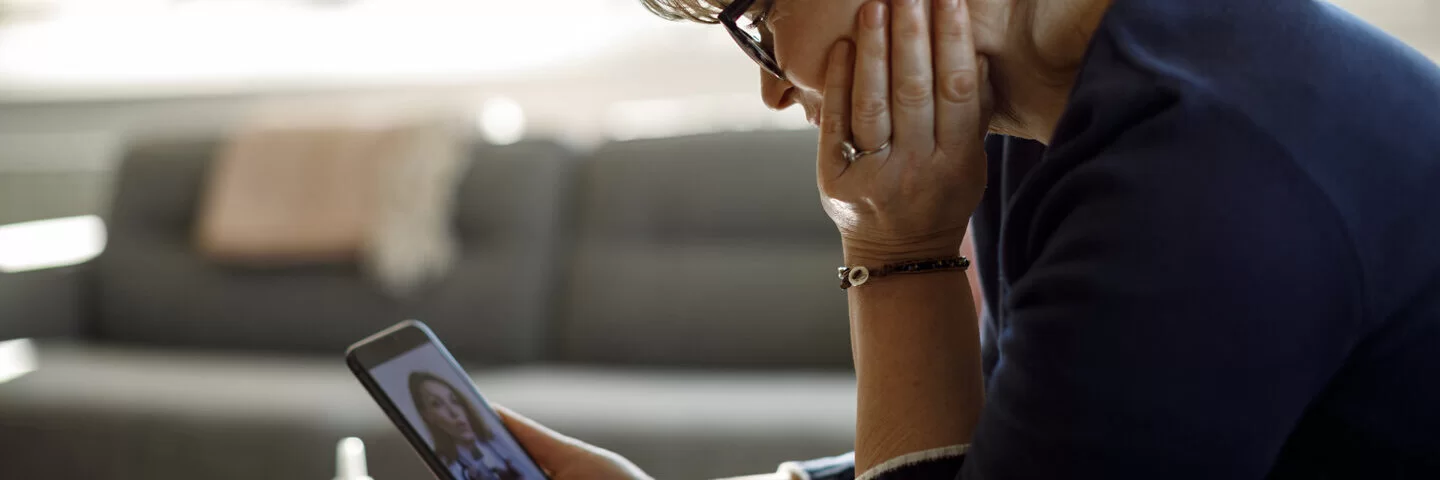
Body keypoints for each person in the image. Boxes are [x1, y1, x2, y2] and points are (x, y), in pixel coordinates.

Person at [499, 0, 1440, 478]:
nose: (774, 87)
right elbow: (1015, 444)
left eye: (755, 20)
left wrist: (897, 252)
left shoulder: (1201, 170)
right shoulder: (1051, 117)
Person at [409, 372, 525, 480]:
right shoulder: (447, 467)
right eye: (437, 404)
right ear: (427, 416)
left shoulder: (499, 441)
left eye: (454, 400)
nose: (454, 412)